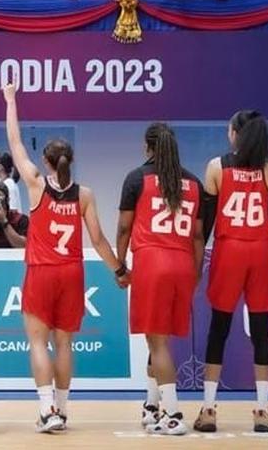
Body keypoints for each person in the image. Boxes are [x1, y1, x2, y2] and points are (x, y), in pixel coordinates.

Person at [1, 83, 122, 431]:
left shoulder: (36, 184)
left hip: (42, 271)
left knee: (38, 343)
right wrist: (119, 270)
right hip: (71, 273)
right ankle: (63, 410)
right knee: (64, 343)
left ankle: (47, 410)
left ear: (46, 161)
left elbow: (14, 142)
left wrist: (11, 100)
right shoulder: (84, 194)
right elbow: (98, 240)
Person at [194, 111, 268, 434]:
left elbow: (204, 226)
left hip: (229, 250)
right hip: (260, 250)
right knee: (261, 330)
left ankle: (209, 410)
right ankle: (262, 411)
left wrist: (196, 264)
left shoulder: (216, 167)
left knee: (219, 329)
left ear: (236, 134)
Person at [117, 122, 211, 436]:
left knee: (156, 342)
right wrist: (196, 272)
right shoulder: (194, 183)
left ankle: (173, 414)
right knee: (159, 339)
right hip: (183, 262)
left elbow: (124, 228)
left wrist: (120, 265)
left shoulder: (136, 178)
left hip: (151, 262)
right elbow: (198, 236)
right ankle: (151, 406)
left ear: (147, 146)